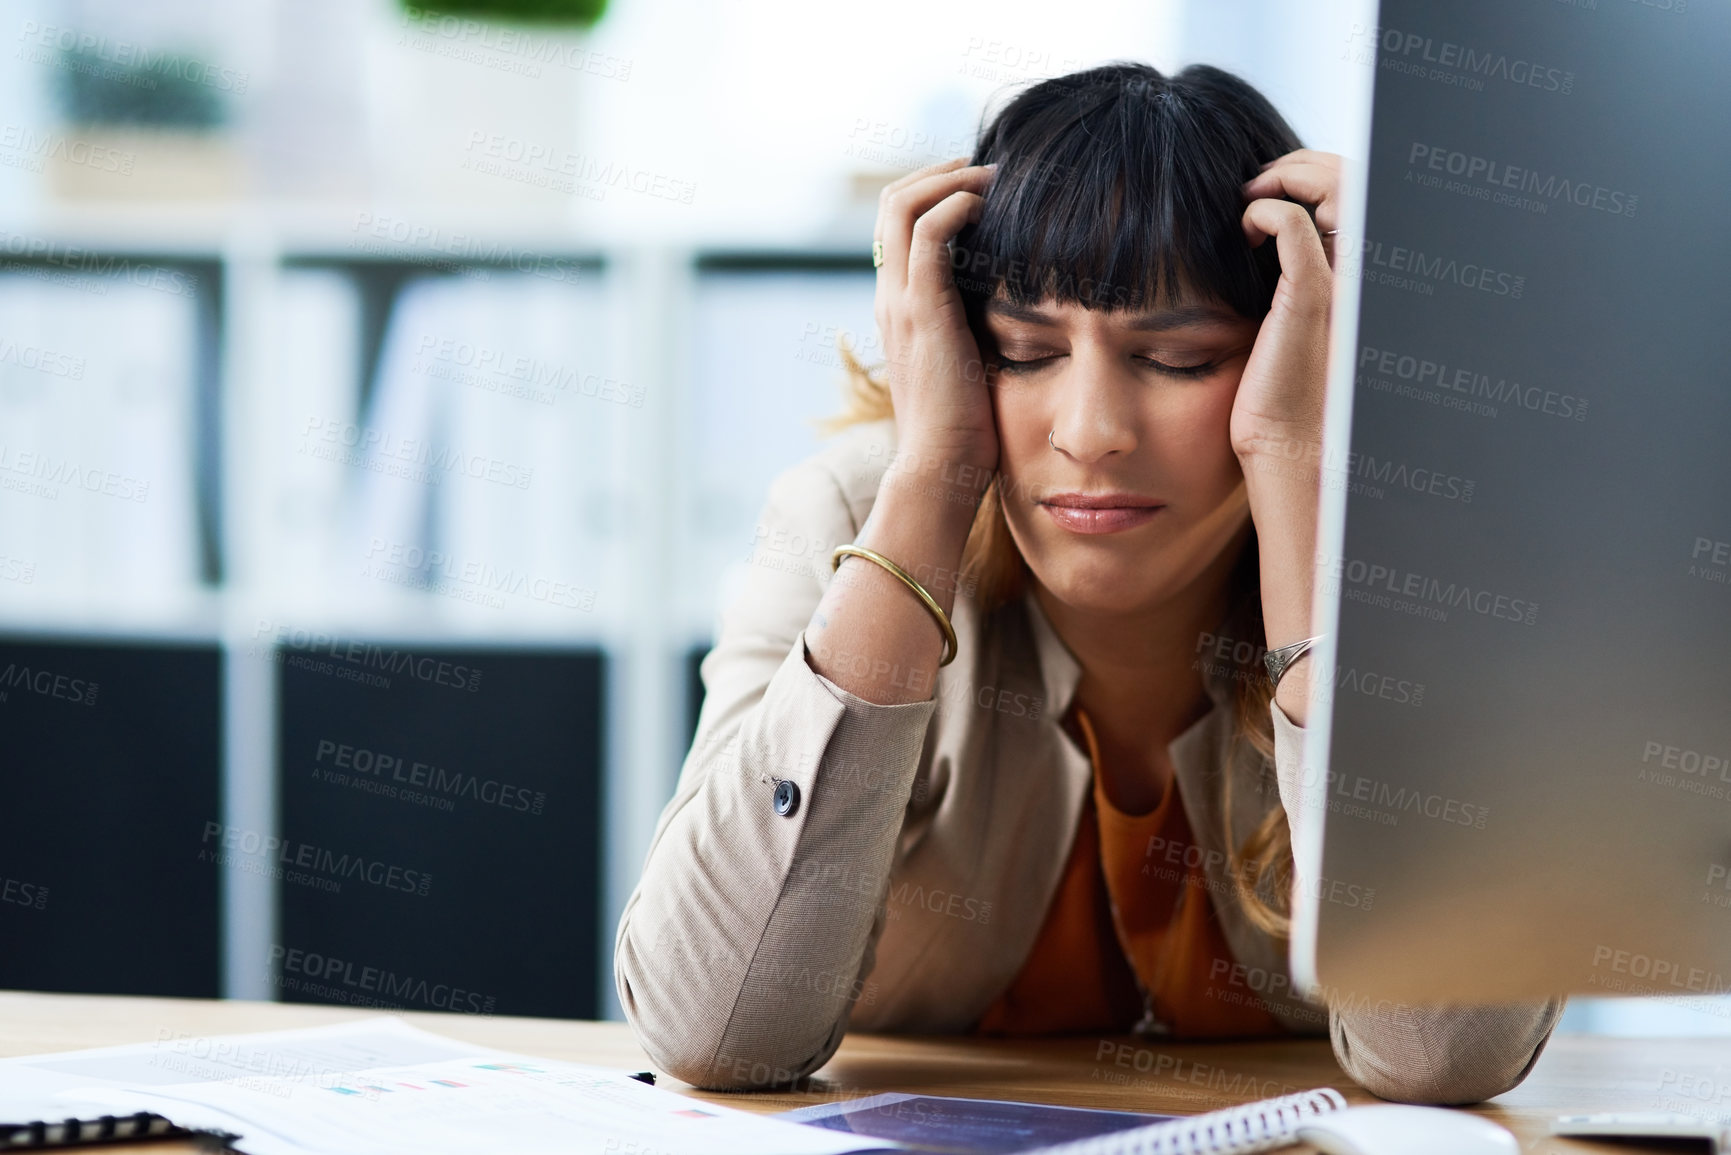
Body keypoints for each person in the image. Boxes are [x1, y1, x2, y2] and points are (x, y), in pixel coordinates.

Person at [614, 61, 1562, 1104]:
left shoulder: (1408, 556)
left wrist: (1297, 461)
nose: (1091, 434)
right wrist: (933, 472)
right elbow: (714, 1034)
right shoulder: (847, 515)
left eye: (1182, 359)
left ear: (1304, 350)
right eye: (1024, 351)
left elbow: (1446, 1053)